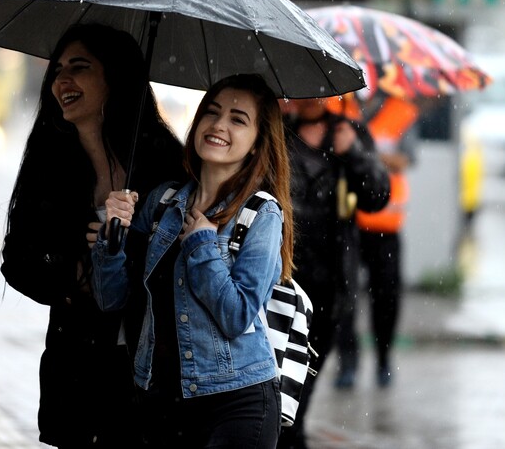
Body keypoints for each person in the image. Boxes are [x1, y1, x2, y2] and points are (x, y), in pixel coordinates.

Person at [0, 23, 185, 448]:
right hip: (78, 371)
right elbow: (17, 260)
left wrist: (131, 252)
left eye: (79, 67)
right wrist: (73, 279)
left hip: (150, 373)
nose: (62, 81)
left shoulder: (163, 161)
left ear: (115, 76)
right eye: (58, 70)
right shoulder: (50, 163)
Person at [91, 73, 293, 449]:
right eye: (212, 112)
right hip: (161, 399)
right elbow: (111, 299)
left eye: (238, 119)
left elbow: (236, 315)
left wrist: (201, 245)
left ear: (256, 144)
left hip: (236, 402)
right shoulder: (162, 202)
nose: (218, 124)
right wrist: (111, 238)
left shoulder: (261, 213)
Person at [276, 94, 390, 449]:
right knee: (278, 371)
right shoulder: (278, 132)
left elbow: (377, 196)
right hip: (283, 273)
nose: (309, 97)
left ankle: (292, 432)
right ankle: (288, 434)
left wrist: (353, 153)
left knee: (307, 373)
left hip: (331, 278)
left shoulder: (349, 132)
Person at [334, 93, 419, 389]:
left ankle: (383, 359)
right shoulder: (340, 107)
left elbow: (405, 159)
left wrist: (360, 154)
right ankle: (347, 364)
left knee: (386, 298)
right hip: (347, 223)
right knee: (345, 297)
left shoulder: (402, 113)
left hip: (386, 226)